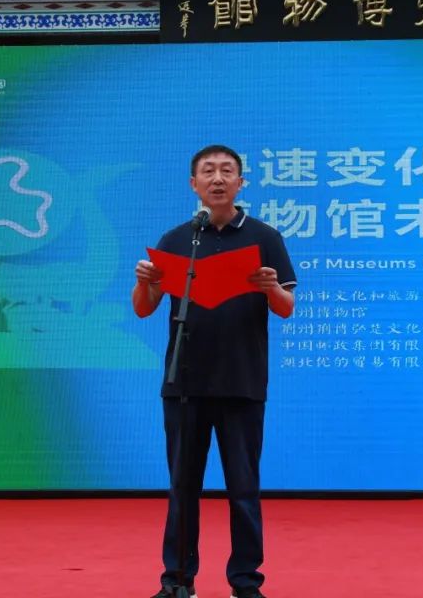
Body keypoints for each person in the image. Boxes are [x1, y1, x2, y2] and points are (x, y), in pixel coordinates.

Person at [133, 145, 296, 598]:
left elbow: (286, 307)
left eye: (227, 171)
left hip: (242, 383)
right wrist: (144, 283)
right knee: (182, 488)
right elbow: (144, 308)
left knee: (243, 489)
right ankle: (177, 580)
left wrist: (270, 288)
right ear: (194, 184)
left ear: (241, 183)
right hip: (184, 384)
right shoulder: (176, 239)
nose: (218, 178)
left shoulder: (265, 237)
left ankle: (245, 581)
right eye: (209, 171)